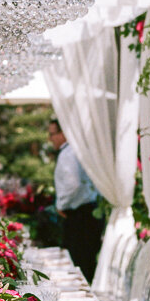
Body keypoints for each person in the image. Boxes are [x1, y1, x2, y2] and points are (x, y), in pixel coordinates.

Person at [47, 118, 104, 282]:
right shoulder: (76, 151)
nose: (50, 138)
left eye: (52, 134)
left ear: (63, 133)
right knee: (84, 265)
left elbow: (73, 184)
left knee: (79, 267)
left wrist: (60, 205)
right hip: (87, 214)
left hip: (81, 218)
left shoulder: (68, 154)